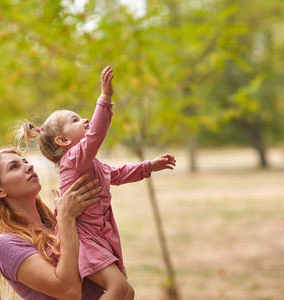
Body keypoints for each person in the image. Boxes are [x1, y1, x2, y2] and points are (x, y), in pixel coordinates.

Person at [14, 66, 176, 299]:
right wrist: (105, 98)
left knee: (127, 292)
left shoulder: (89, 164)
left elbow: (116, 174)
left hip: (98, 236)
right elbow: (96, 135)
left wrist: (148, 166)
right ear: (63, 140)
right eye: (75, 119)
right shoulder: (74, 160)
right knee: (119, 288)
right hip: (83, 240)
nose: (86, 119)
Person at [0, 148, 105, 300]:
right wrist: (67, 219)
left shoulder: (56, 224)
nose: (29, 166)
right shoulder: (5, 245)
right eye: (14, 167)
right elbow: (69, 291)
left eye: (25, 161)